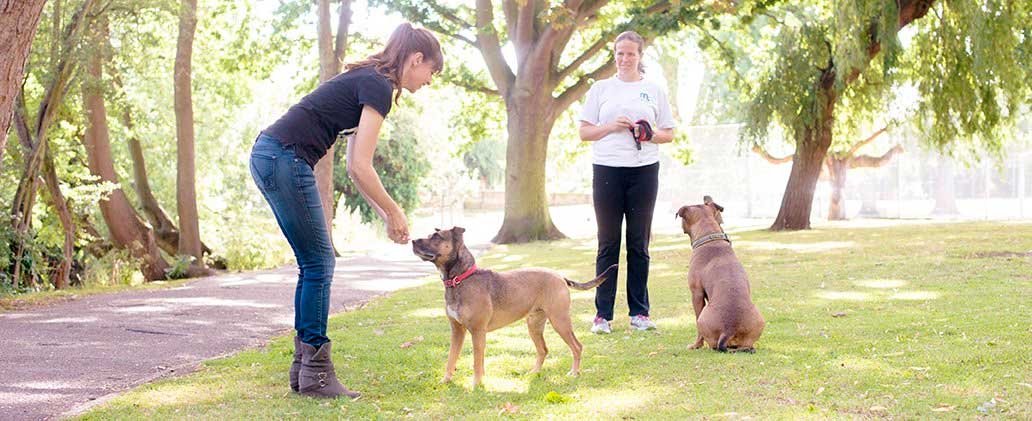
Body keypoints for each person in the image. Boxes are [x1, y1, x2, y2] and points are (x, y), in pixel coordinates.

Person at [249, 23, 442, 398]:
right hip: (285, 157)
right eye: (431, 71)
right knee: (320, 263)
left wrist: (387, 214)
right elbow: (360, 167)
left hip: (271, 155)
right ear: (416, 59)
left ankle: (305, 371)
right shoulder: (379, 85)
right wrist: (395, 211)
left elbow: (356, 166)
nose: (429, 81)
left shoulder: (369, 79)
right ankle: (317, 374)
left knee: (314, 263)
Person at [577, 31, 676, 334]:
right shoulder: (600, 88)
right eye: (620, 53)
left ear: (640, 56)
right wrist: (609, 127)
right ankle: (602, 316)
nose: (624, 59)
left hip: (643, 171)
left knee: (638, 243)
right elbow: (584, 132)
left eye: (630, 53)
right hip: (607, 170)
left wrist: (648, 134)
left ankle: (640, 313)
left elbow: (669, 133)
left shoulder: (654, 89)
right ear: (615, 55)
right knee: (608, 243)